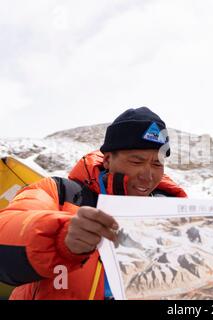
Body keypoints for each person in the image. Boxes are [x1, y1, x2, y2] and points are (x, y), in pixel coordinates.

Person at [0, 107, 187, 300]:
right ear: (107, 159)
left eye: (157, 164)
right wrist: (59, 237)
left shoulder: (173, 216)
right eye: (136, 161)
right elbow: (5, 231)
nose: (148, 176)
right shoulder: (60, 193)